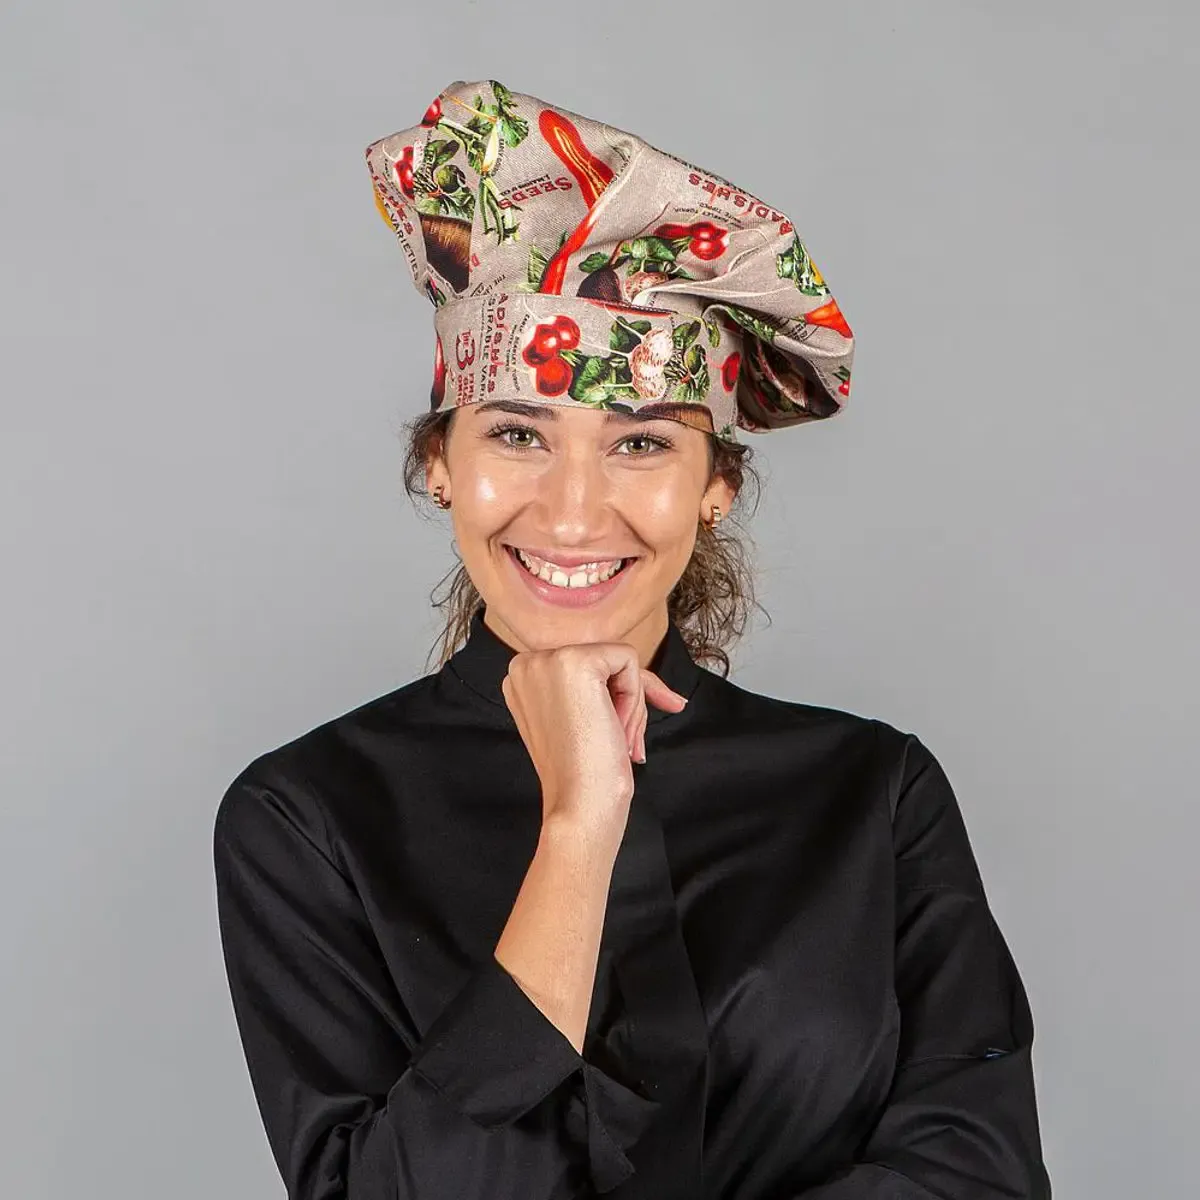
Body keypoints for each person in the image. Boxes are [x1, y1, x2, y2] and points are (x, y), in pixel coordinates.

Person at [212, 79, 1052, 1199]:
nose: (571, 515)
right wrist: (577, 830)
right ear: (440, 465)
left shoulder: (872, 794)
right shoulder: (309, 816)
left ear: (715, 487)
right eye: (518, 435)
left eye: (642, 444)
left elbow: (977, 1177)